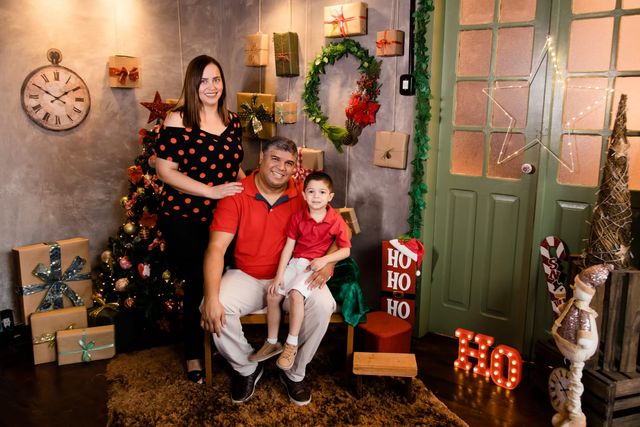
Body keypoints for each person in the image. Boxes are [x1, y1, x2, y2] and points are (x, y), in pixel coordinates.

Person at [201, 137, 343, 406]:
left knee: (323, 305)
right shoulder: (236, 194)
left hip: (295, 275)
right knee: (214, 305)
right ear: (261, 159)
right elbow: (216, 248)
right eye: (275, 159)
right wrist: (210, 297)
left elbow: (339, 231)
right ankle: (247, 367)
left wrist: (329, 263)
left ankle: (294, 371)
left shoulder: (304, 194)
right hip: (248, 275)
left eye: (289, 163)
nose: (281, 167)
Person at [155, 55, 245, 384]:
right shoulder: (178, 119)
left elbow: (234, 167)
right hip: (184, 216)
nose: (211, 86)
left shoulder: (232, 120)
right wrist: (210, 191)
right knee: (198, 281)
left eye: (216, 79)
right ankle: (194, 351)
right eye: (204, 81)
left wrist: (250, 192)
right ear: (193, 84)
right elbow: (165, 171)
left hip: (223, 214)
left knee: (223, 278)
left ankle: (220, 343)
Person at [248, 171, 350, 371]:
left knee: (296, 295)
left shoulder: (336, 220)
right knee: (273, 293)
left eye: (322, 192)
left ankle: (291, 344)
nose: (316, 196)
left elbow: (345, 250)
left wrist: (324, 260)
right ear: (304, 195)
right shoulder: (298, 218)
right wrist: (279, 276)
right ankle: (272, 342)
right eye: (311, 192)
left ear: (330, 196)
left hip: (314, 266)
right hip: (295, 263)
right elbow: (288, 247)